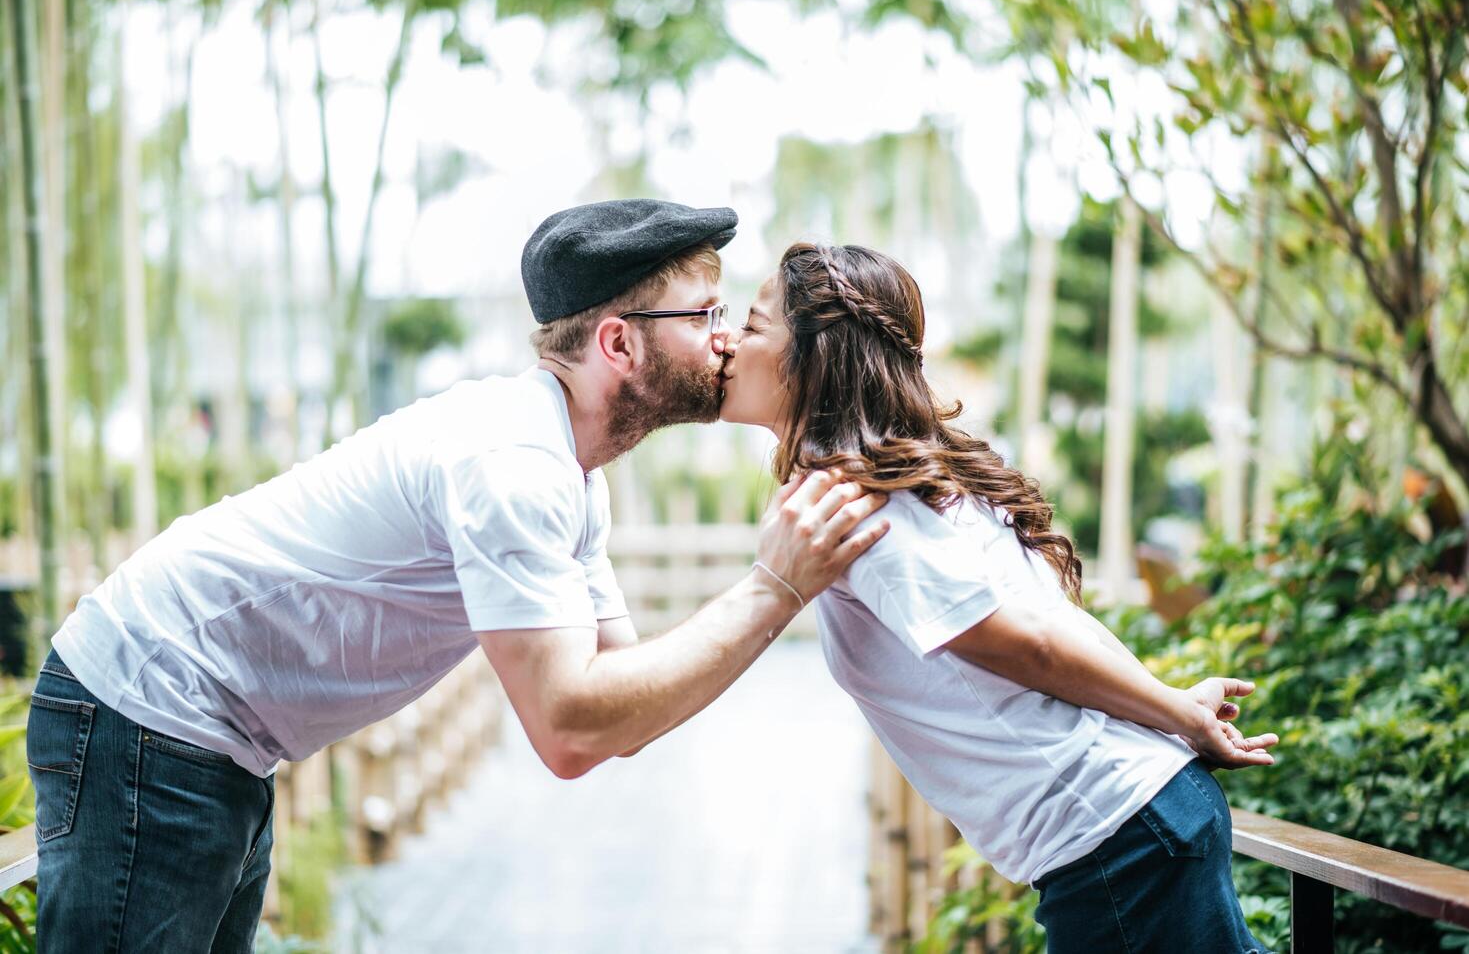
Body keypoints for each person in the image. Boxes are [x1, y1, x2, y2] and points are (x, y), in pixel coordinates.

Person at [26, 201, 889, 953]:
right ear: (620, 342)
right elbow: (569, 730)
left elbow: (622, 707)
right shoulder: (513, 463)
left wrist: (776, 591)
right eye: (703, 312)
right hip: (148, 708)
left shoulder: (570, 471)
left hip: (210, 736)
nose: (725, 336)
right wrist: (773, 589)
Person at [717, 242, 1277, 953]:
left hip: (1118, 842)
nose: (728, 342)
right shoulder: (903, 481)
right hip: (1135, 826)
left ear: (814, 358)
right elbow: (1052, 625)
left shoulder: (864, 512)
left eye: (754, 324)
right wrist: (1168, 705)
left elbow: (1034, 644)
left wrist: (1176, 715)